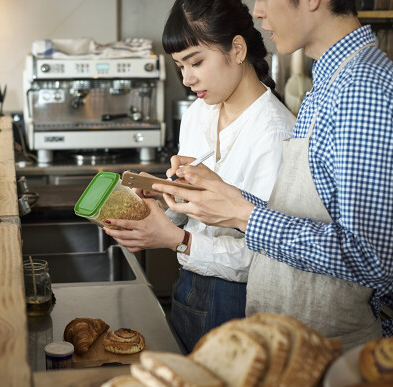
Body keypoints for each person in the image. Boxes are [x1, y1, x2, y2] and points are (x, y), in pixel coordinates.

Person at [152, 0, 393, 351]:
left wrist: (242, 214)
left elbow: (373, 260)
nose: (259, 10)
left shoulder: (361, 90)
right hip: (306, 338)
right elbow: (311, 214)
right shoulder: (330, 83)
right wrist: (224, 197)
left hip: (340, 347)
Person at [102, 0, 296, 352]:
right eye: (180, 66)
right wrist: (160, 199)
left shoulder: (276, 133)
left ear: (237, 49)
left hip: (244, 305)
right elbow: (189, 211)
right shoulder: (198, 114)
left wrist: (177, 240)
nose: (187, 79)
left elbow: (268, 259)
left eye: (196, 62)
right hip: (190, 286)